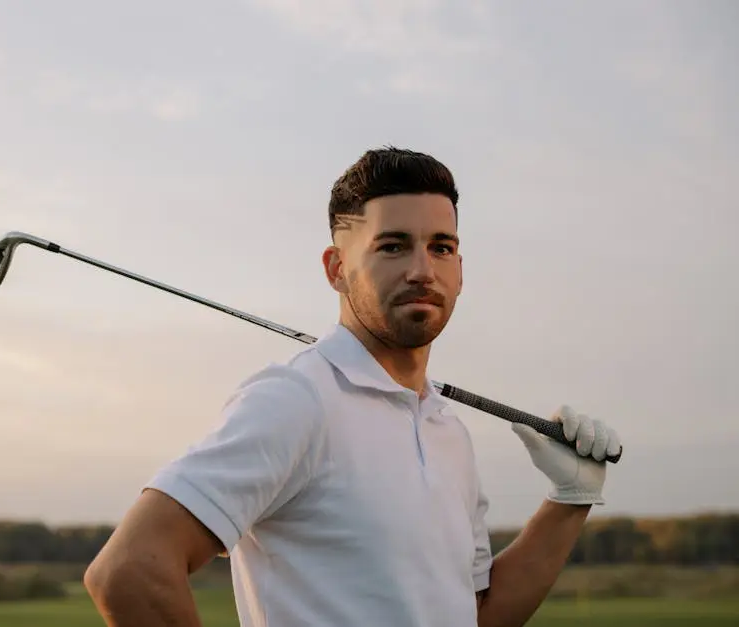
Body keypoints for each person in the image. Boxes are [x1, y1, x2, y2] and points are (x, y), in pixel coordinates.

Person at [83, 147, 623, 627]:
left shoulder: (448, 432)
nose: (422, 270)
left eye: (441, 247)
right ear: (336, 267)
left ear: (460, 267)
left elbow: (477, 613)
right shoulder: (295, 400)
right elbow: (129, 571)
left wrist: (569, 502)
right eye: (392, 246)